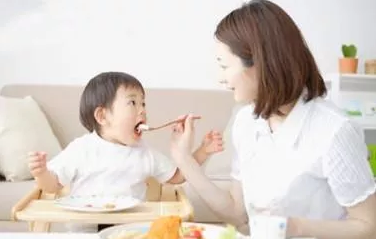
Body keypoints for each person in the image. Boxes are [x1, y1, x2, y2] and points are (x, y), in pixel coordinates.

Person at [169, 1, 376, 239]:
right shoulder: (245, 121)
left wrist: (297, 227)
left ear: (260, 63)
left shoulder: (334, 131)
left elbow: (368, 226)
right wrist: (184, 159)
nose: (221, 78)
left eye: (224, 66)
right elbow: (238, 213)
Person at [28, 71, 223, 232]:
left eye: (143, 104)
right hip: (85, 232)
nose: (142, 111)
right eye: (132, 103)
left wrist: (203, 151)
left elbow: (179, 176)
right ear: (102, 116)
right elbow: (52, 185)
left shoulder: (145, 153)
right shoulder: (81, 149)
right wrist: (41, 172)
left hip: (130, 232)